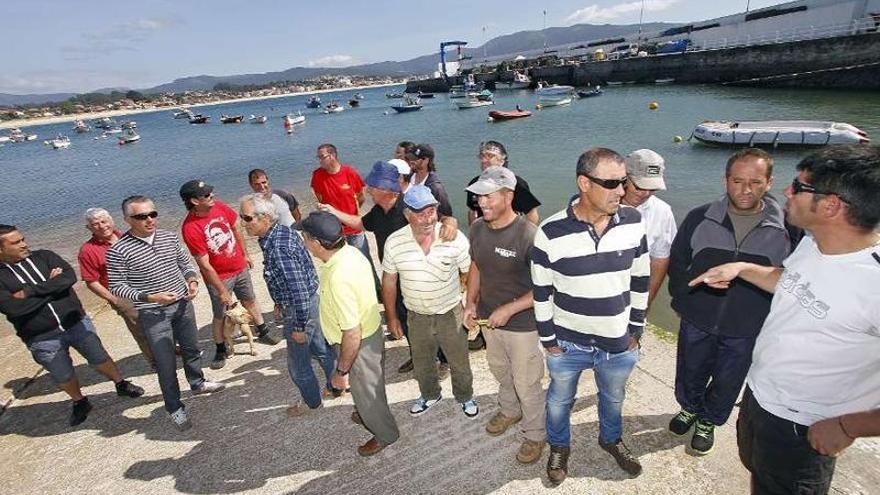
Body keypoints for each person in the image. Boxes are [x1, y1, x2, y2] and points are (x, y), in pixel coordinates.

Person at [690, 144, 880, 494]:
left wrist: (850, 425)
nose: (787, 192)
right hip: (760, 397)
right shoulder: (813, 242)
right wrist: (744, 268)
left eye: (799, 186)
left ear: (831, 205)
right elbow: (790, 281)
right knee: (757, 472)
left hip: (807, 426)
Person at [531, 147, 649, 484]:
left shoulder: (634, 221)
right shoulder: (550, 232)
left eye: (623, 183)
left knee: (613, 397)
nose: (622, 191)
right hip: (568, 343)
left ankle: (610, 439)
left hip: (618, 342)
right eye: (612, 183)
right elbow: (541, 291)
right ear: (584, 183)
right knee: (558, 401)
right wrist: (549, 340)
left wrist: (636, 328)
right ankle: (559, 446)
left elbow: (641, 277)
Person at [667, 148, 795, 455]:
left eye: (755, 181)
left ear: (769, 182)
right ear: (726, 180)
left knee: (729, 378)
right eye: (737, 180)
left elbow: (797, 280)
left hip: (747, 325)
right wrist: (686, 300)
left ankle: (709, 420)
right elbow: (678, 263)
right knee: (690, 370)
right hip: (698, 317)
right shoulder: (700, 217)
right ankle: (690, 407)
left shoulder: (790, 229)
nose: (745, 189)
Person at [0, 225, 144, 427]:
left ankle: (120, 383)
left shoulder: (44, 257)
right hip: (41, 335)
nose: (24, 244)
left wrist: (29, 292)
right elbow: (13, 309)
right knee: (62, 373)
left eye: (22, 239)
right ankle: (79, 401)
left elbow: (68, 278)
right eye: (16, 242)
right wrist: (52, 288)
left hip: (75, 321)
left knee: (99, 356)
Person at [320, 161, 457, 374]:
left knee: (426, 321)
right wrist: (333, 211)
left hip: (417, 277)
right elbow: (360, 224)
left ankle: (443, 361)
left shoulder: (408, 207)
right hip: (394, 277)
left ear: (385, 189)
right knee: (405, 319)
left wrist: (451, 223)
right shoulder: (378, 211)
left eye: (372, 187)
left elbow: (440, 217)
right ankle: (418, 356)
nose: (368, 190)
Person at [106, 196, 225, 431]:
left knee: (191, 348)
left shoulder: (169, 237)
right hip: (152, 313)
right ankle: (174, 407)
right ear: (127, 219)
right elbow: (117, 286)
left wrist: (192, 281)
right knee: (165, 362)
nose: (149, 220)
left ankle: (197, 382)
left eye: (153, 214)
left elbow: (186, 264)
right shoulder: (119, 250)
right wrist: (150, 297)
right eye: (141, 216)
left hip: (182, 305)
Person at [462, 166, 546, 465]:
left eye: (488, 196)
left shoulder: (529, 235)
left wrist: (509, 308)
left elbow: (545, 288)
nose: (481, 202)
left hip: (522, 324)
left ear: (509, 196)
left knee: (527, 381)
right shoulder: (476, 229)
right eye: (478, 196)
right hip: (488, 320)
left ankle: (535, 434)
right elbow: (476, 267)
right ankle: (510, 410)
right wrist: (470, 303)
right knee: (499, 369)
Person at [299, 211, 400, 456]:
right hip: (369, 331)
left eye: (305, 237)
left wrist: (341, 372)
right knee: (368, 386)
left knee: (368, 391)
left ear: (316, 243)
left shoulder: (338, 277)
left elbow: (352, 333)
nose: (303, 240)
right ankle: (367, 413)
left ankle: (385, 433)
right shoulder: (350, 253)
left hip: (359, 343)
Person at [381, 185, 477, 418]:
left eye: (432, 211)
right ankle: (430, 394)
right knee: (422, 361)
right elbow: (389, 282)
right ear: (407, 215)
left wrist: (470, 303)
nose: (428, 218)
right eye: (420, 213)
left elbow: (471, 271)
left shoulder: (454, 238)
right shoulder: (394, 242)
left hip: (450, 312)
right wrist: (392, 316)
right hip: (416, 315)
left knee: (459, 361)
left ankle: (465, 397)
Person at [239, 194, 336, 416]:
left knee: (298, 365)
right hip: (307, 302)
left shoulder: (278, 246)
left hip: (300, 309)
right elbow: (292, 279)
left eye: (246, 218)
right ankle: (337, 385)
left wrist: (300, 327)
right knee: (320, 348)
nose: (242, 223)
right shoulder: (280, 234)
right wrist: (278, 301)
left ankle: (312, 402)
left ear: (264, 218)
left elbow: (299, 291)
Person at [179, 179, 279, 371]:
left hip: (238, 266)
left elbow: (235, 227)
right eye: (206, 195)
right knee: (220, 313)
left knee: (250, 299)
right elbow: (205, 265)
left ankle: (262, 329)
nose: (212, 197)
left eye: (210, 193)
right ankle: (220, 348)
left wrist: (245, 254)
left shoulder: (219, 207)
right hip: (219, 276)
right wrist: (221, 289)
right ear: (194, 201)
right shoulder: (190, 227)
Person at [78, 207, 155, 368]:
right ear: (89, 228)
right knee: (142, 331)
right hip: (123, 296)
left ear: (112, 221)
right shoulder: (88, 251)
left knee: (162, 321)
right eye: (95, 224)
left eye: (104, 221)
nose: (101, 226)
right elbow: (91, 281)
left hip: (148, 286)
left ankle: (171, 349)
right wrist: (114, 300)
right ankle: (156, 362)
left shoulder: (130, 237)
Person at [622, 149, 677, 309]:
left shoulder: (663, 211)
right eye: (639, 186)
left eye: (652, 189)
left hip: (634, 294)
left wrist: (646, 304)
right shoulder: (599, 203)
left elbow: (659, 260)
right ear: (624, 177)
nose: (645, 193)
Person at [310, 143, 370, 260]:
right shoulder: (317, 175)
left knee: (364, 261)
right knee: (340, 264)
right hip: (332, 231)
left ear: (332, 156)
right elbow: (319, 198)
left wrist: (350, 215)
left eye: (322, 157)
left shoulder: (349, 173)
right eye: (318, 157)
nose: (319, 160)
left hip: (353, 228)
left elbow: (361, 197)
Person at [466, 140, 541, 226]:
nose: (483, 160)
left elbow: (531, 212)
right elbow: (472, 211)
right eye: (482, 156)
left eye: (490, 156)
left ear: (502, 161)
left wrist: (528, 236)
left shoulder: (516, 183)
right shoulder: (474, 184)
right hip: (485, 233)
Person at [404, 144, 454, 218]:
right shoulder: (408, 177)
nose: (411, 161)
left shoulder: (436, 188)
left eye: (415, 159)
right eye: (411, 158)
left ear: (426, 160)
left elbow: (446, 215)